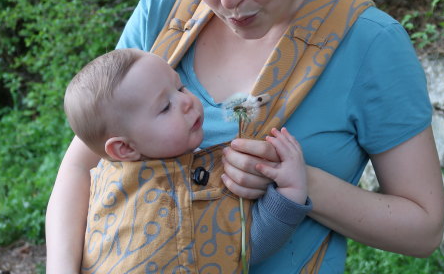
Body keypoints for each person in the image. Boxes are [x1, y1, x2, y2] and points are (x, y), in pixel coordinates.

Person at [46, 0, 444, 273]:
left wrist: (305, 185)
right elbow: (82, 165)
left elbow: (423, 229)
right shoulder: (161, 15)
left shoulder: (369, 43)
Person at [63, 47, 311, 270]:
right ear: (124, 149)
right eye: (165, 107)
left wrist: (290, 189)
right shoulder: (120, 195)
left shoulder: (203, 182)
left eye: (180, 87)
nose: (186, 101)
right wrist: (291, 191)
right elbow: (248, 248)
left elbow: (243, 244)